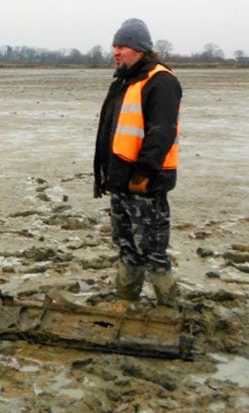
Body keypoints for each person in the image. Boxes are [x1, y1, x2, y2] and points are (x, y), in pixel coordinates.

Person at [93, 18, 182, 307]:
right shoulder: (125, 80)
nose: (116, 51)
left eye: (124, 46)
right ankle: (125, 302)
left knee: (154, 252)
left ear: (141, 49)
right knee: (126, 248)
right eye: (115, 45)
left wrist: (143, 172)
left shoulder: (161, 81)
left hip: (145, 183)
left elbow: (162, 132)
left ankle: (170, 311)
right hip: (120, 180)